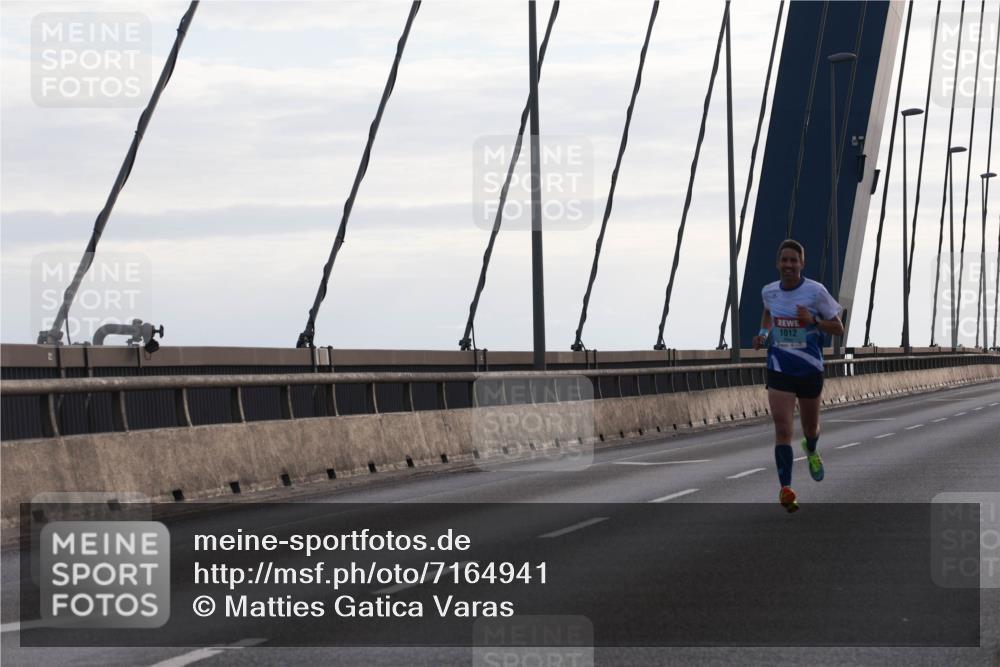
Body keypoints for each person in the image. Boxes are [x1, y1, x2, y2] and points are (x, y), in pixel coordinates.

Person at [752, 239, 844, 513]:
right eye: (785, 260)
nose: (789, 265)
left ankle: (812, 449)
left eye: (794, 261)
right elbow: (768, 315)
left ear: (802, 264)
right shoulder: (769, 292)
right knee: (782, 430)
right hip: (779, 369)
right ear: (778, 264)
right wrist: (764, 336)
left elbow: (838, 328)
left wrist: (813, 322)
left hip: (809, 370)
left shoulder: (816, 292)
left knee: (809, 430)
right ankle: (786, 489)